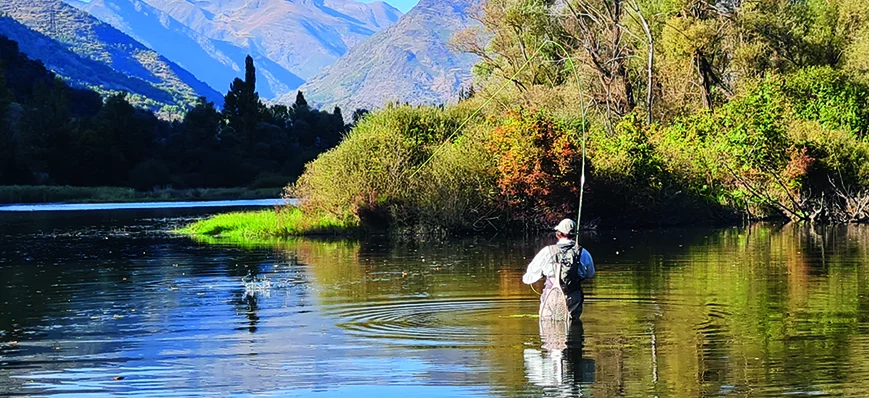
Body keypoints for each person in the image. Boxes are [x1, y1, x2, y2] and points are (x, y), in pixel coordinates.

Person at [522, 218, 594, 321]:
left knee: (548, 326)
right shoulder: (584, 253)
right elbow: (590, 274)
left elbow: (528, 278)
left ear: (558, 234)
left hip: (551, 296)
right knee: (571, 325)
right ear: (574, 235)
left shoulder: (546, 251)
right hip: (573, 296)